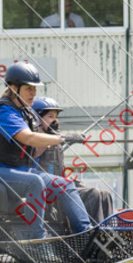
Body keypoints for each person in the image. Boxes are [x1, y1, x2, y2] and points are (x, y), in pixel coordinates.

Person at [0, 62, 91, 240]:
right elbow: (27, 138)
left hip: (16, 170)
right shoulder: (4, 111)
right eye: (29, 89)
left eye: (35, 89)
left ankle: (86, 235)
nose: (33, 93)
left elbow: (33, 150)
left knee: (65, 184)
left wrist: (52, 135)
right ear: (14, 89)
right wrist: (63, 138)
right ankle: (38, 242)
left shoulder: (25, 113)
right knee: (35, 182)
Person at [33, 96, 114, 224]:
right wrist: (61, 138)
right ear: (37, 119)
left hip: (62, 187)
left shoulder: (55, 142)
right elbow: (35, 154)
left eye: (56, 117)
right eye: (50, 116)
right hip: (49, 195)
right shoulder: (33, 140)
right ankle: (93, 234)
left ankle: (107, 231)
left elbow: (59, 172)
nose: (55, 121)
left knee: (104, 194)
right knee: (93, 194)